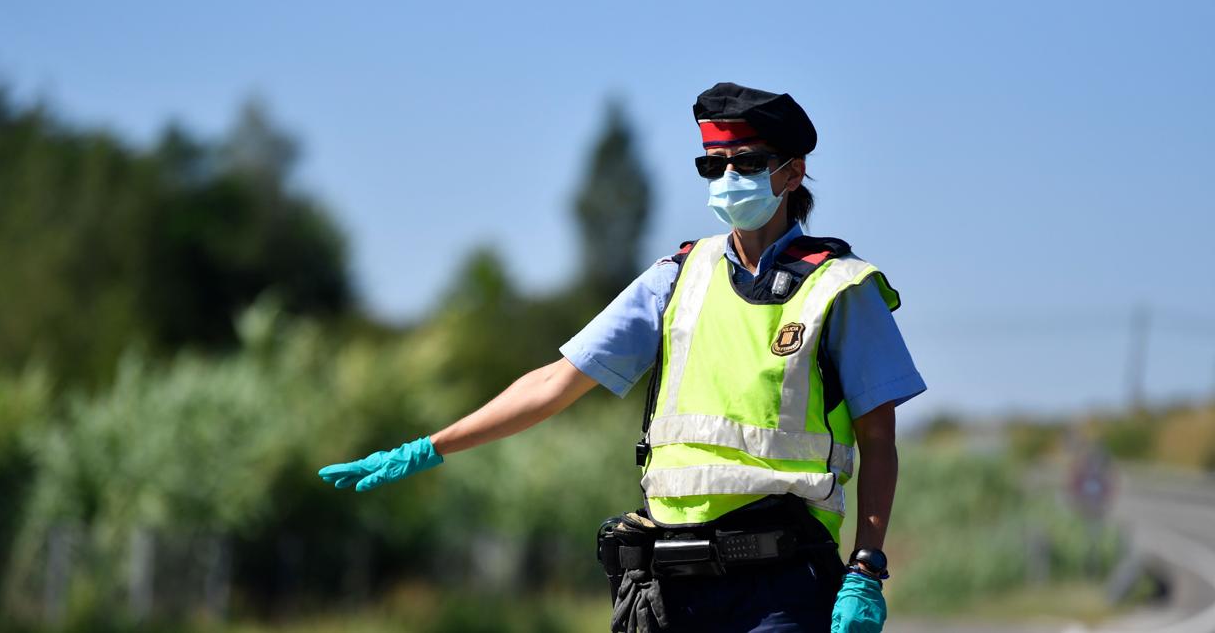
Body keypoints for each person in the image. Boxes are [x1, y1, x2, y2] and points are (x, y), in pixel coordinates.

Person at [319, 82, 926, 632]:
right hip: (671, 589)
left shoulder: (841, 288)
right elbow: (555, 383)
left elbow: (878, 441)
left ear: (792, 175)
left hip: (782, 586)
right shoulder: (676, 280)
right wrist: (430, 446)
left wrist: (866, 566)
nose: (728, 177)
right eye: (713, 165)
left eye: (747, 163)